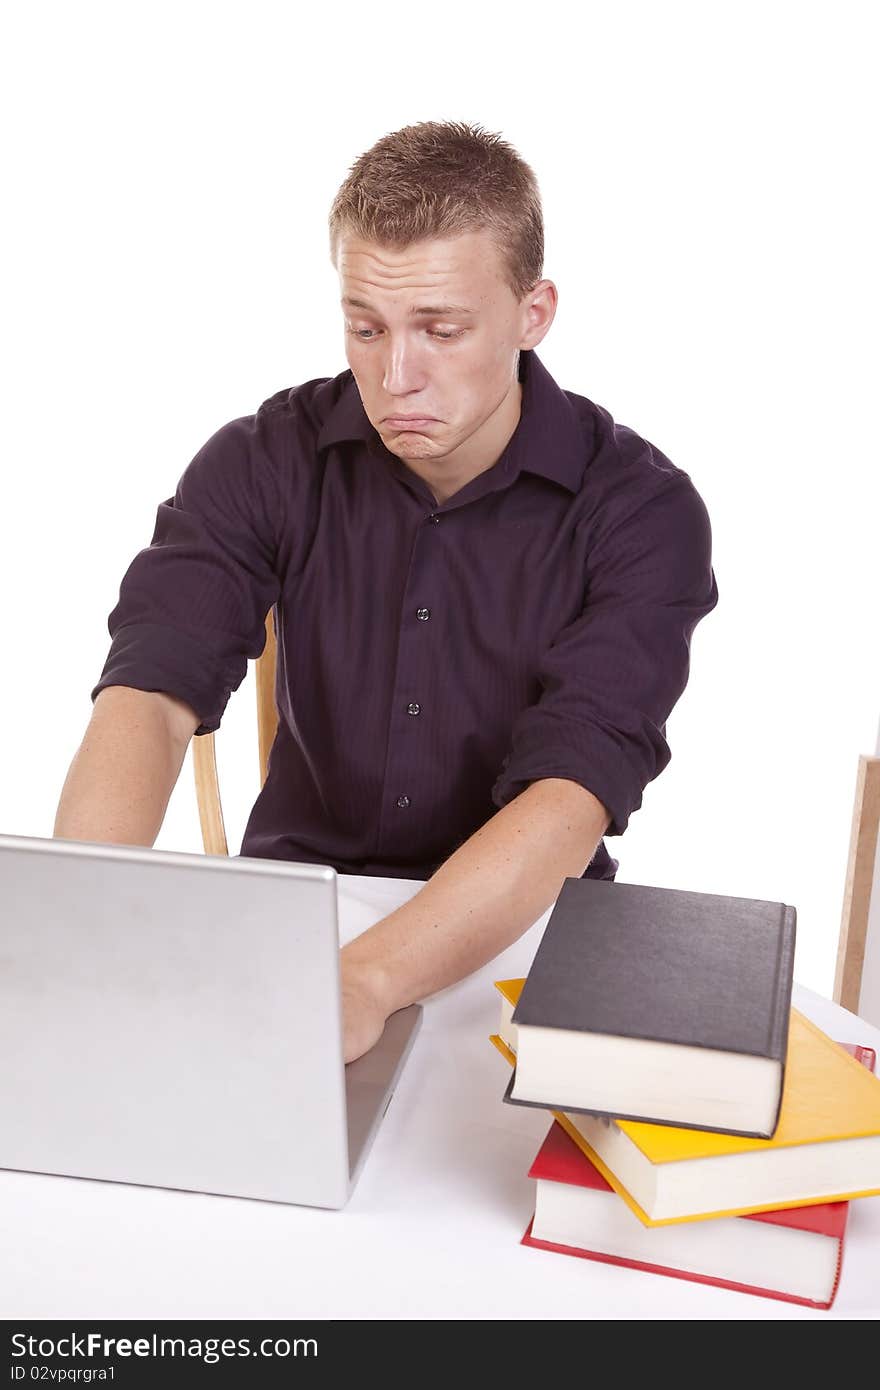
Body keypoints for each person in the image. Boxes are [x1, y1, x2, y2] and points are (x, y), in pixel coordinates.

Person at [53, 119, 719, 1063]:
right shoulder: (265, 458)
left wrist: (363, 983)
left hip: (523, 933)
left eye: (441, 330)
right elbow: (150, 692)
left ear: (535, 313)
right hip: (296, 916)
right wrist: (74, 918)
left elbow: (571, 794)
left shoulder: (641, 512)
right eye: (365, 327)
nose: (395, 376)